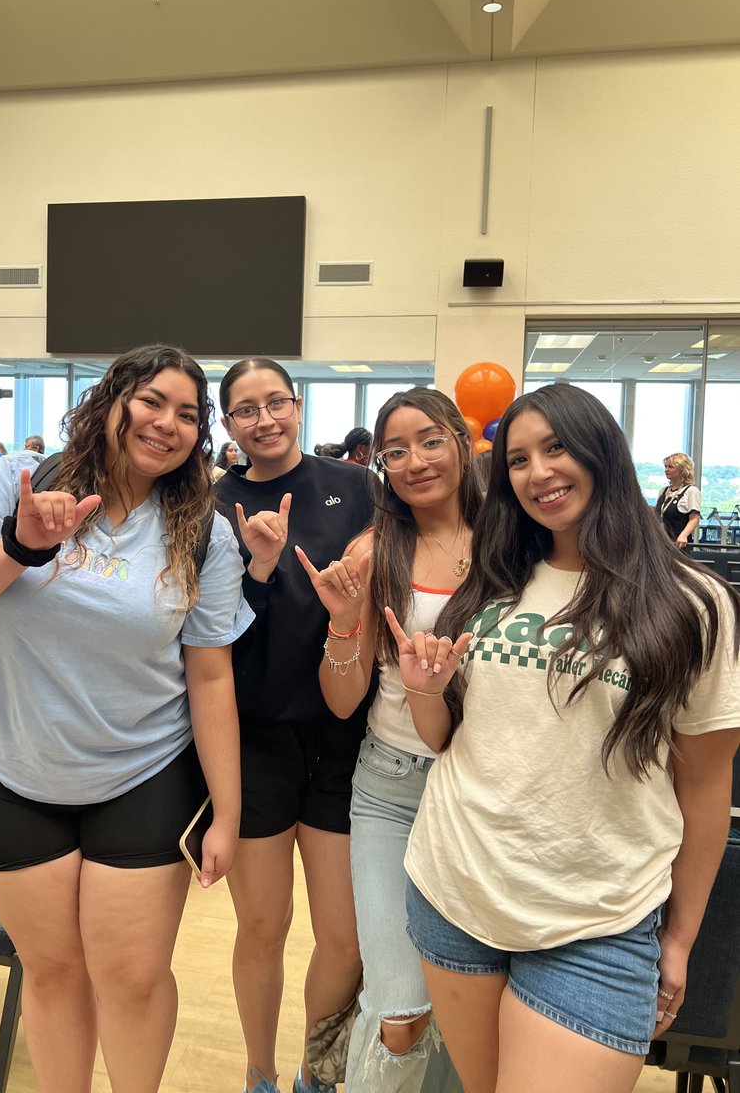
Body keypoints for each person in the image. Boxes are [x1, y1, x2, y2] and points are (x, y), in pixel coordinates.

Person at [0, 344, 254, 1093]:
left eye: (189, 415)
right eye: (153, 401)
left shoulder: (203, 530)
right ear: (114, 400)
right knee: (54, 971)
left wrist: (227, 812)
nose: (168, 424)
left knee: (131, 978)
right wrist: (20, 547)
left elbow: (210, 673)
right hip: (16, 768)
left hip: (141, 774)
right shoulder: (17, 482)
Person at [392, 383, 739, 1093]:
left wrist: (678, 938)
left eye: (556, 447)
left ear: (602, 450)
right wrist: (425, 695)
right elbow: (449, 740)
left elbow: (705, 786)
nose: (538, 472)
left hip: (598, 918)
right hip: (455, 890)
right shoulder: (491, 584)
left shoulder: (692, 603)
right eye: (518, 459)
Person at [296, 388, 477, 1093]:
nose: (414, 461)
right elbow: (342, 700)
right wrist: (344, 621)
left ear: (461, 439)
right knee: (399, 1007)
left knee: (466, 1003)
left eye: (430, 440)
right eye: (396, 450)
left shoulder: (514, 544)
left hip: (483, 791)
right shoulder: (375, 550)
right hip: (390, 786)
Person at [214, 358, 376, 1093]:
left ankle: (317, 1073)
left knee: (343, 937)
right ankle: (259, 1074)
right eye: (245, 409)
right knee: (262, 927)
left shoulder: (359, 488)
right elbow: (204, 636)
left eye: (275, 401)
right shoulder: (209, 504)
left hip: (344, 733)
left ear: (298, 404)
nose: (264, 418)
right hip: (254, 736)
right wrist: (256, 568)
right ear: (227, 425)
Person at [656, 453, 702, 548]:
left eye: (671, 467)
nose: (666, 470)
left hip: (679, 544)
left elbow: (694, 518)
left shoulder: (691, 491)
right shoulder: (663, 491)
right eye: (666, 466)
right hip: (661, 543)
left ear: (682, 470)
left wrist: (684, 535)